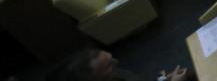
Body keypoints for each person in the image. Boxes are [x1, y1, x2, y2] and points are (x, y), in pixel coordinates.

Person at [54, 48, 190, 81]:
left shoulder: (116, 75)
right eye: (109, 66)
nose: (117, 62)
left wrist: (164, 79)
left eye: (111, 58)